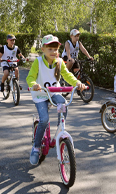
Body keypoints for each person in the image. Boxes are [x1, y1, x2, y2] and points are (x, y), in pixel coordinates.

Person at [27, 34, 86, 165]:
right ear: (43, 49)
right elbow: (30, 77)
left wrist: (77, 83)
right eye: (50, 49)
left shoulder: (59, 62)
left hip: (54, 93)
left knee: (63, 104)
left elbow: (67, 75)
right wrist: (33, 85)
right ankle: (36, 147)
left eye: (55, 49)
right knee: (44, 119)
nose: (54, 52)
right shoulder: (38, 62)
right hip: (41, 95)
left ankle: (60, 128)